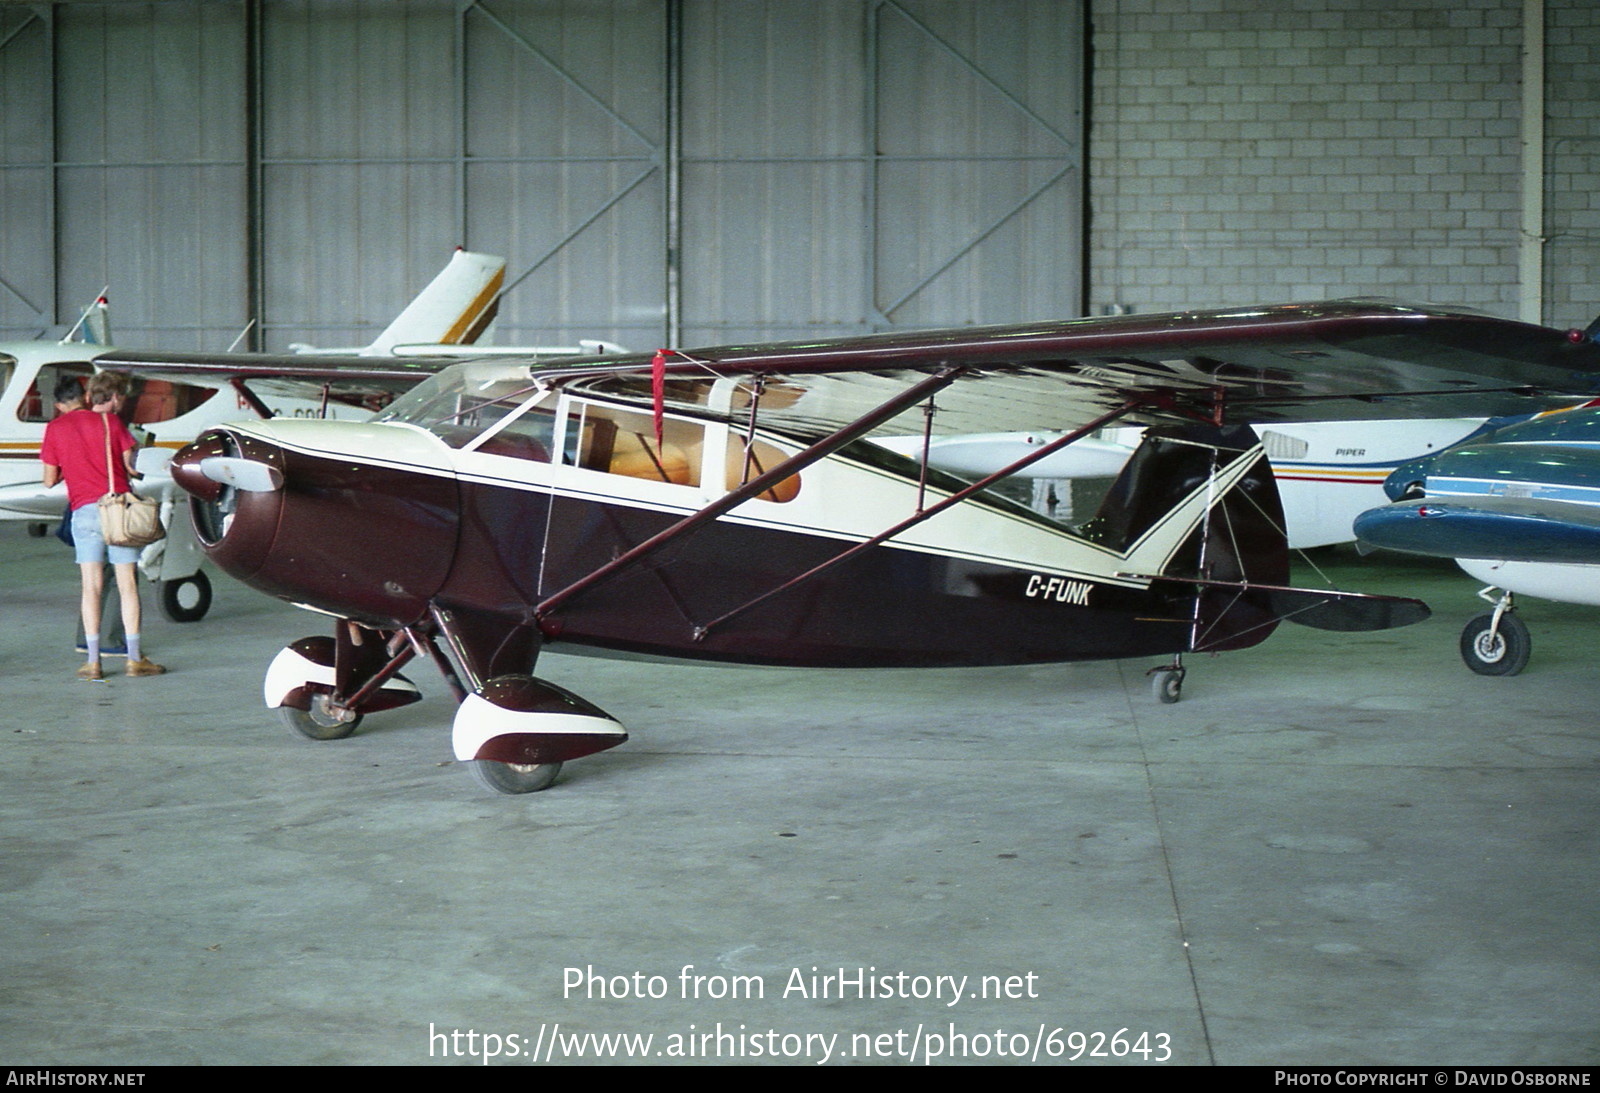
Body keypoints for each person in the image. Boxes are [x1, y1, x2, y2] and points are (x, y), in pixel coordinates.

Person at [40, 371, 166, 680]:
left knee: (91, 587)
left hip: (84, 512)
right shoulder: (112, 423)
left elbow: (49, 479)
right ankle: (134, 659)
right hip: (117, 512)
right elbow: (131, 469)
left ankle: (93, 663)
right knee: (126, 586)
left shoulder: (55, 428)